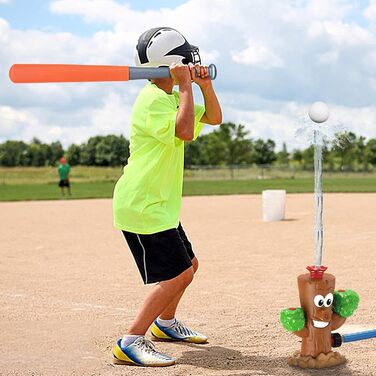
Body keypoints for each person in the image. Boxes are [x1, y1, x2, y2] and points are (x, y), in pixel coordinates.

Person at [112, 27, 222, 367]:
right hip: (143, 204)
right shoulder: (153, 101)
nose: (193, 62)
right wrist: (188, 86)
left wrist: (204, 86)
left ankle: (166, 324)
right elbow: (185, 131)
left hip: (160, 204)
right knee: (178, 274)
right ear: (176, 63)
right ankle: (130, 341)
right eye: (188, 60)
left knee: (189, 266)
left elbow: (214, 119)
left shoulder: (173, 97)